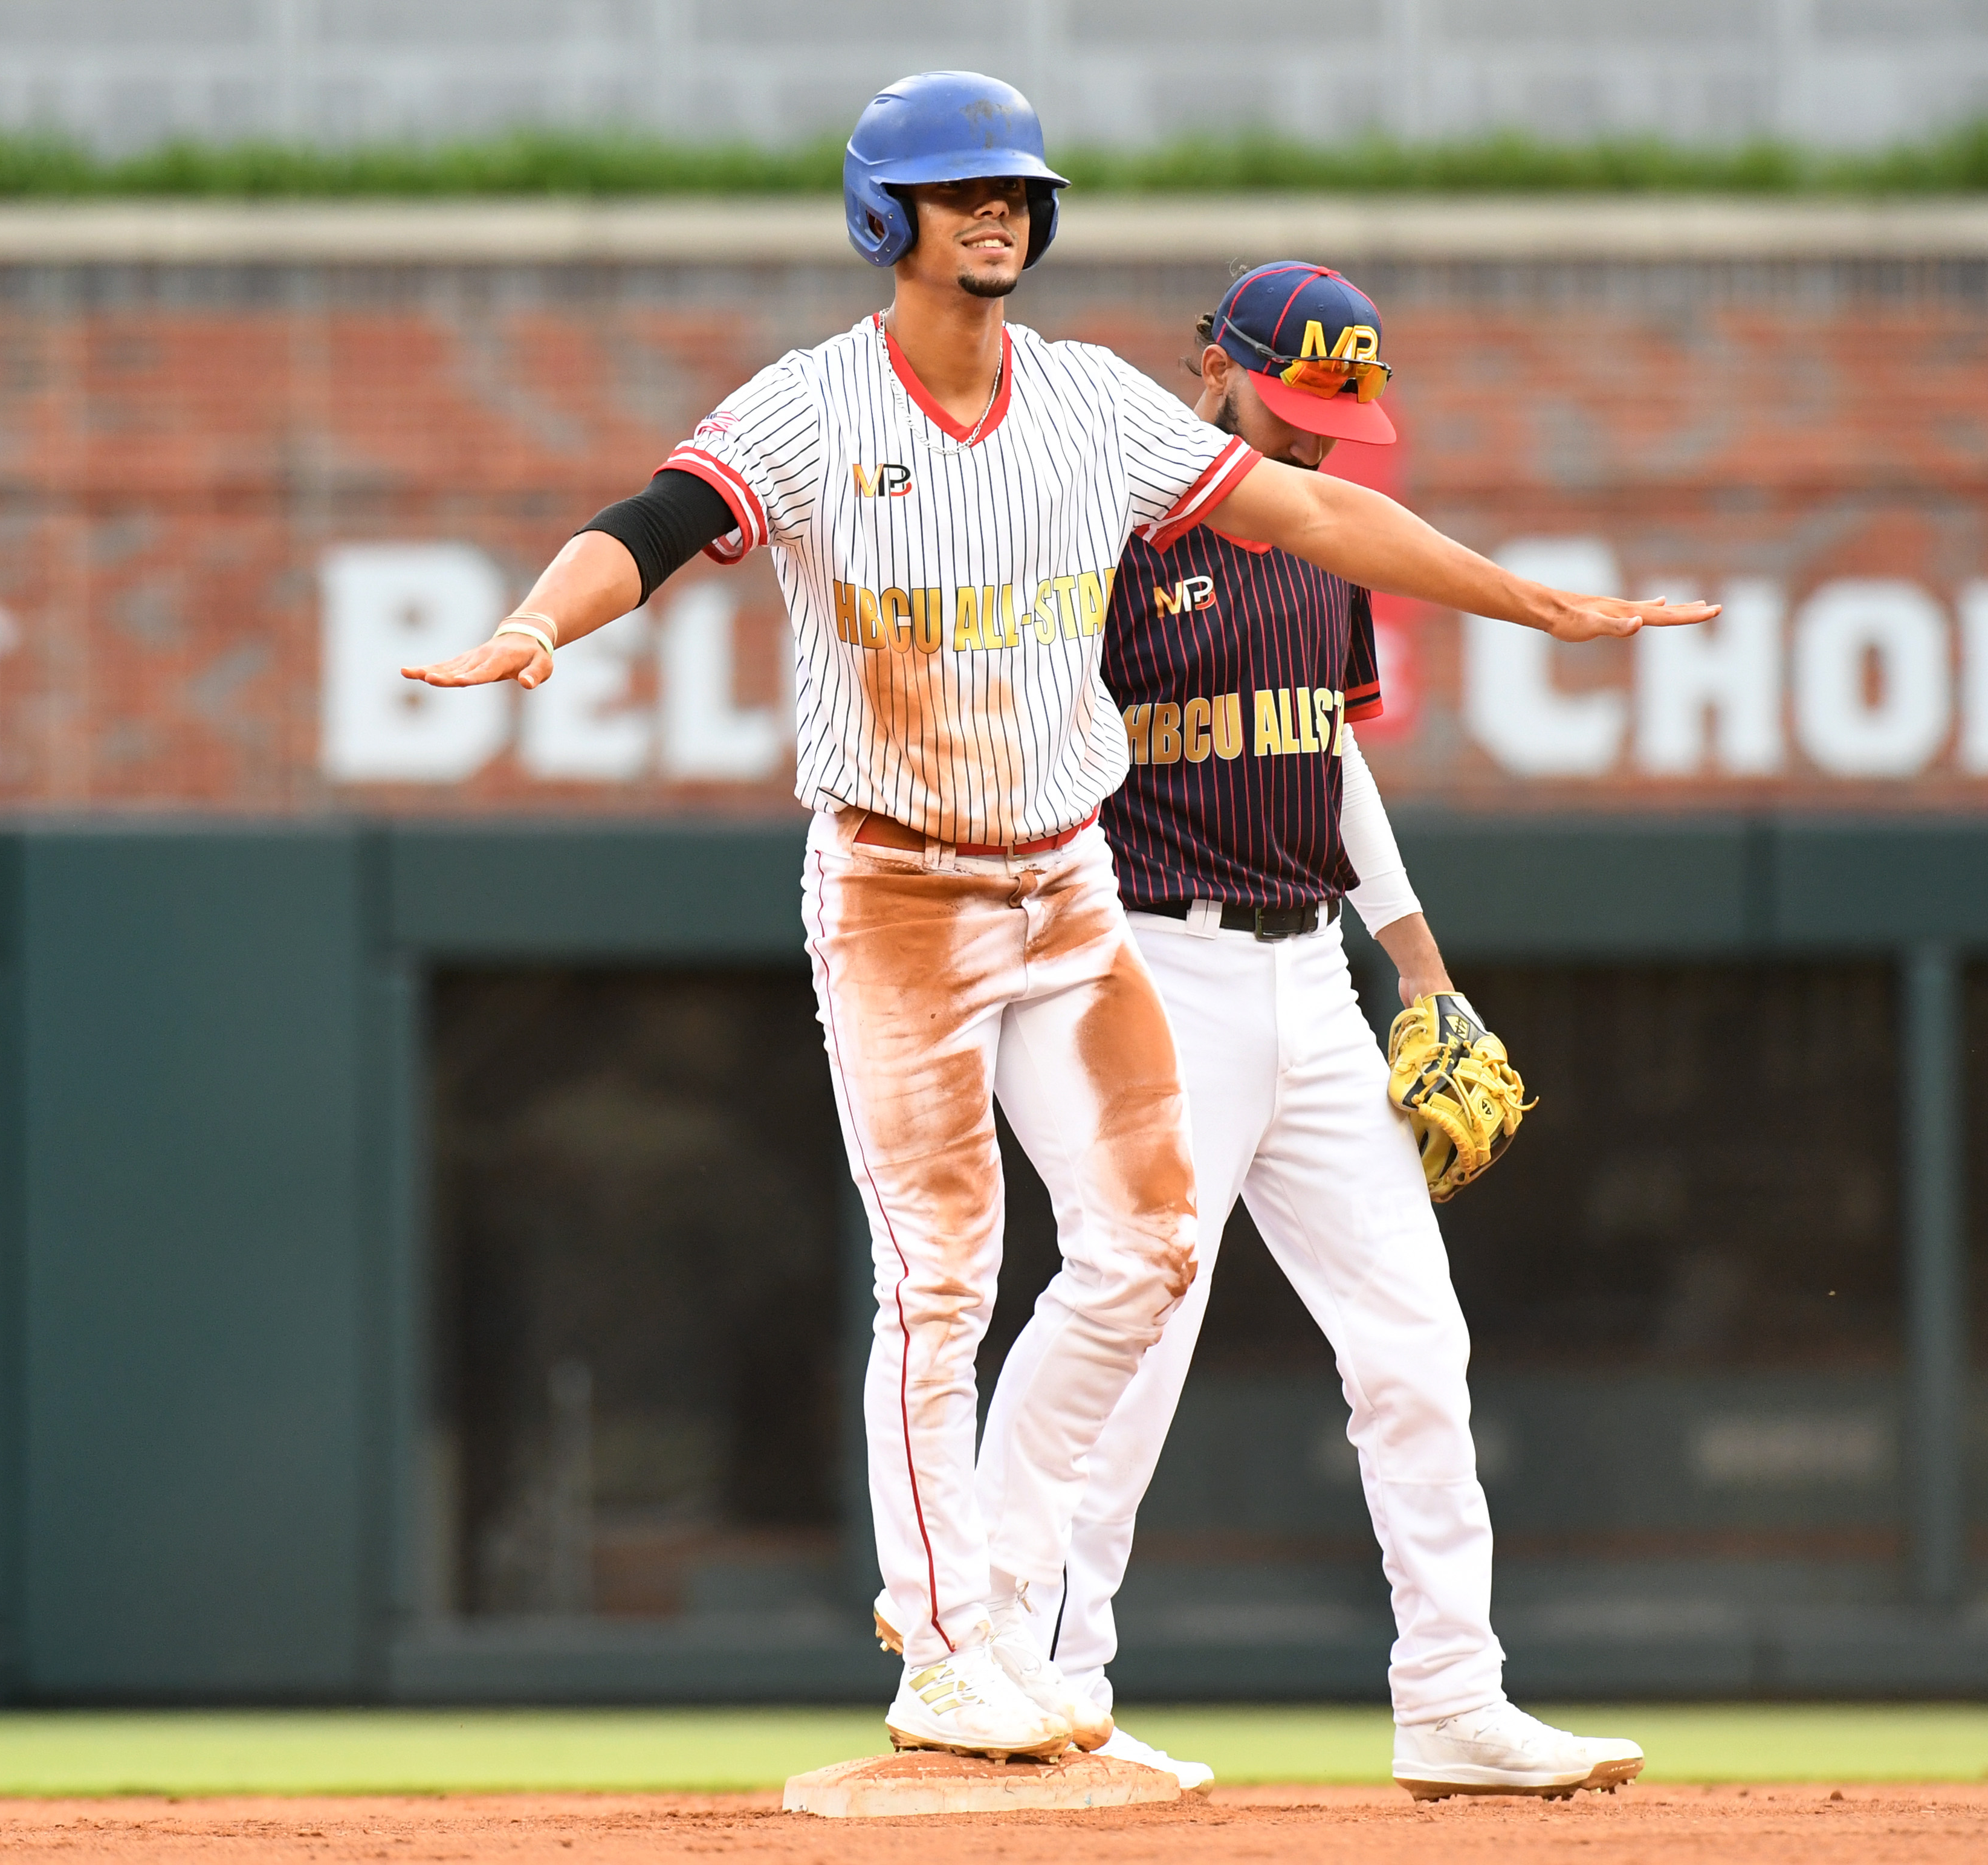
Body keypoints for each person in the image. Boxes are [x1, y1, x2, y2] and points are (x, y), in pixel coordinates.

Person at [404, 75, 1715, 1763]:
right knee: (939, 1278)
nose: (1002, 211)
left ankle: (1042, 1642)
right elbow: (656, 524)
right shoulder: (814, 408)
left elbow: (1314, 512)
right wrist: (537, 617)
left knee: (1146, 1251)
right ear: (888, 217)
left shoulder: (1091, 405)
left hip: (1065, 883)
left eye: (1020, 187)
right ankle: (951, 1648)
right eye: (964, 190)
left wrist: (1532, 600)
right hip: (897, 889)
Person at [972, 261, 1648, 1801]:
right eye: (1295, 406)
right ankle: (1052, 1695)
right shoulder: (1113, 527)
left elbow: (1328, 747)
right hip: (1152, 960)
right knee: (1134, 1331)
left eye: (1341, 416)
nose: (1321, 440)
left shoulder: (1322, 538)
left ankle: (1453, 1697)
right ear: (1210, 365)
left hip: (1312, 971)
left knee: (1415, 1341)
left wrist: (1421, 966)